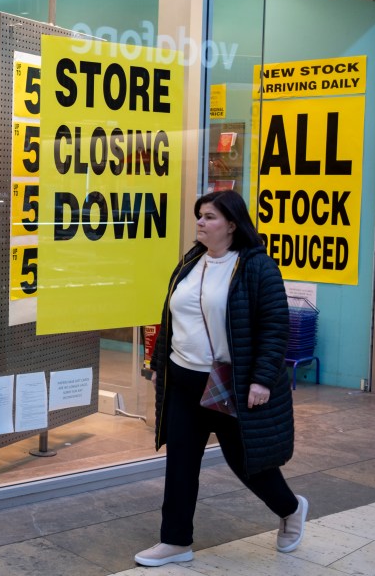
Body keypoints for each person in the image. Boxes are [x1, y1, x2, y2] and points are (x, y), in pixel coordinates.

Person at [135, 190, 307, 567]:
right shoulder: (190, 262)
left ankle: (291, 509)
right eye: (199, 215)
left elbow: (275, 327)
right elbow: (172, 319)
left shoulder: (257, 267)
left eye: (209, 216)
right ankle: (176, 541)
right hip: (183, 379)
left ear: (232, 224)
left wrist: (262, 380)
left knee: (248, 462)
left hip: (228, 382)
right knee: (180, 462)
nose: (200, 222)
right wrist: (159, 366)